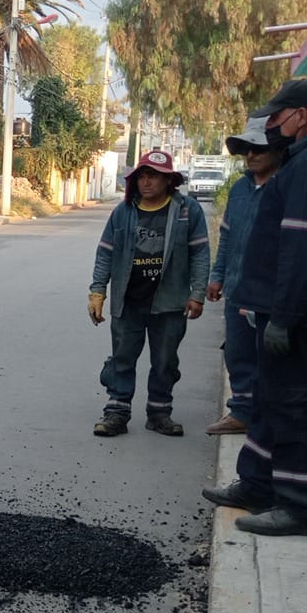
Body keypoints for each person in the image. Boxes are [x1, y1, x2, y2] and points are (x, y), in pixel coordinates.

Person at [204, 79, 307, 537]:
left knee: (296, 405)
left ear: (300, 115)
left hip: (292, 316)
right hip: (270, 308)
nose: (271, 125)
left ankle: (299, 504)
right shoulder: (303, 160)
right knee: (270, 401)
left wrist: (285, 317)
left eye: (277, 116)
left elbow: (301, 246)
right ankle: (257, 483)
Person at [88, 149, 209, 437]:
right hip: (128, 300)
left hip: (169, 302)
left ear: (168, 180)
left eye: (153, 176)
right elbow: (105, 253)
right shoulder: (124, 211)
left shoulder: (187, 211)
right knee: (123, 358)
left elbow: (200, 254)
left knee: (166, 361)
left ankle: (159, 413)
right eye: (142, 176)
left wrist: (198, 293)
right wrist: (97, 291)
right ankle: (116, 413)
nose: (146, 182)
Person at [204, 118, 280, 435]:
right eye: (246, 149)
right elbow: (227, 238)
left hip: (270, 294)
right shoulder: (239, 190)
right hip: (237, 289)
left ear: (278, 148)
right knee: (237, 353)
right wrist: (217, 275)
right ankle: (241, 413)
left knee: (271, 359)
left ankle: (268, 418)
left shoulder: (287, 188)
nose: (251, 155)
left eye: (258, 148)